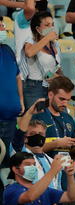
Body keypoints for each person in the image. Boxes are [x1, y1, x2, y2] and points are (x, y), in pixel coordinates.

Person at [33, 76, 75, 157]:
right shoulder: (38, 117)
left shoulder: (69, 118)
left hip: (66, 167)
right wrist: (56, 143)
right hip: (45, 168)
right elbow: (31, 150)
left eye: (68, 100)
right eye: (62, 99)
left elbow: (72, 154)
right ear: (50, 95)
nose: (65, 104)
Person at [21, 10, 60, 109]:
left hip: (51, 87)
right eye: (47, 25)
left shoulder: (55, 44)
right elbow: (29, 53)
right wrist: (47, 38)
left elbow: (57, 66)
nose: (51, 28)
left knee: (48, 122)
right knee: (35, 121)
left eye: (52, 24)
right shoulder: (30, 41)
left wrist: (58, 77)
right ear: (38, 29)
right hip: (34, 87)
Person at [0, 17, 23, 156]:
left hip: (11, 118)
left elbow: (17, 76)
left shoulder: (8, 50)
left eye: (3, 26)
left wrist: (20, 100)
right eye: (1, 27)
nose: (4, 29)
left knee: (8, 163)